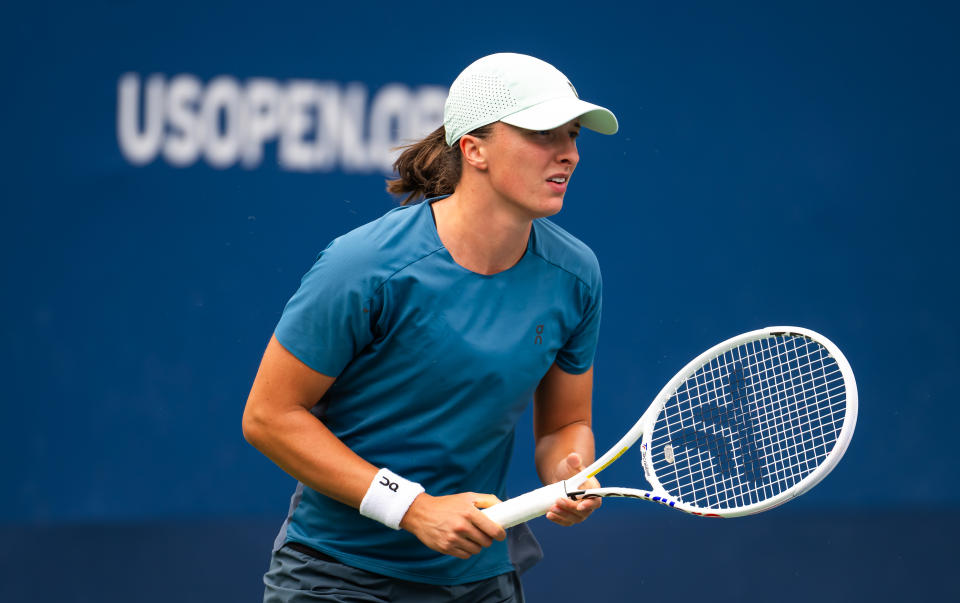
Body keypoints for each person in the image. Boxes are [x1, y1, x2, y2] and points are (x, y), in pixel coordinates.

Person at [242, 52, 619, 602]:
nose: (569, 154)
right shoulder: (364, 267)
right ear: (474, 148)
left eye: (572, 134)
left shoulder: (576, 274)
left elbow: (565, 425)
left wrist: (570, 470)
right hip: (337, 578)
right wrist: (413, 509)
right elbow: (270, 417)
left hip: (478, 581)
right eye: (543, 134)